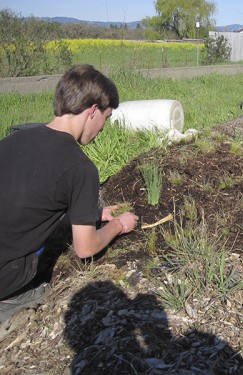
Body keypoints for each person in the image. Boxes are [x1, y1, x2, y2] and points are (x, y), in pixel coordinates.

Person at [0, 65, 139, 322]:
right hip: (7, 276)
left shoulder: (11, 140)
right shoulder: (79, 167)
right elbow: (85, 248)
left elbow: (29, 201)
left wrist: (92, 213)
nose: (102, 129)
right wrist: (119, 225)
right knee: (42, 297)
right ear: (93, 111)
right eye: (106, 119)